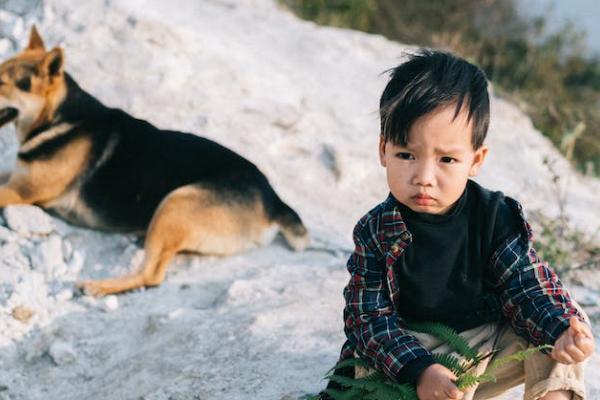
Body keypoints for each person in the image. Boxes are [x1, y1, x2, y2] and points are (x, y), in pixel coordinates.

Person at [325, 49, 595, 400]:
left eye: (447, 159)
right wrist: (421, 369)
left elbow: (527, 287)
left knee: (568, 326)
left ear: (475, 160)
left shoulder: (495, 216)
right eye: (406, 155)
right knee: (368, 372)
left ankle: (553, 397)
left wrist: (561, 330)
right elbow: (367, 319)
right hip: (413, 354)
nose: (423, 177)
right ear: (383, 150)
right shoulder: (377, 229)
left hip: (485, 350)